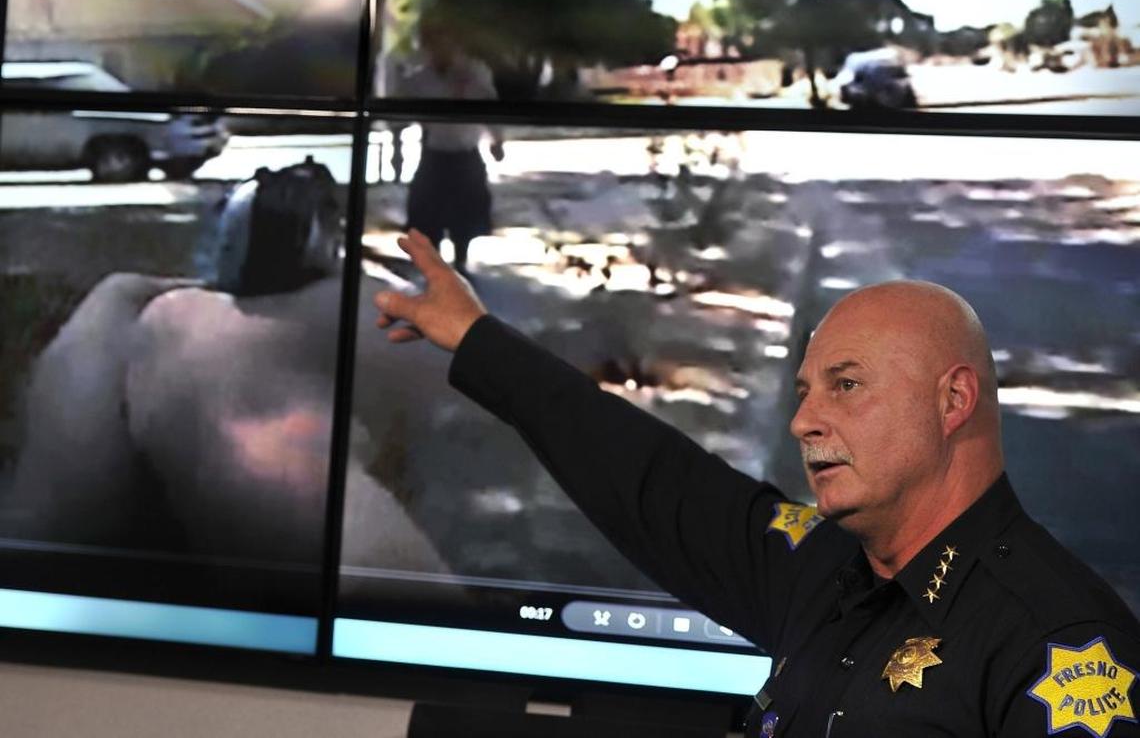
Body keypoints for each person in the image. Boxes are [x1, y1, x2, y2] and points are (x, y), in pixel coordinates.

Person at [375, 229, 1140, 736]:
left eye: (845, 386)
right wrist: (479, 338)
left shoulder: (1060, 644)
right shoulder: (824, 569)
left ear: (954, 400)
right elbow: (650, 478)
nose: (804, 421)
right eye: (804, 391)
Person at [390, 17, 505, 276]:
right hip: (435, 155)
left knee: (464, 216)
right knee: (430, 215)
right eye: (434, 42)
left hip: (465, 154)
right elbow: (400, 108)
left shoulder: (474, 73)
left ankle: (461, 260)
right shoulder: (420, 79)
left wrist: (497, 139)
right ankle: (437, 266)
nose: (442, 47)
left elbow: (490, 107)